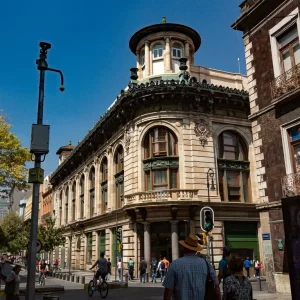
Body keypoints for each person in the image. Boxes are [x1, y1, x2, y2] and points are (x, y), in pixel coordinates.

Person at [163, 234, 221, 300]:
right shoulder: (205, 264)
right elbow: (216, 285)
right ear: (196, 250)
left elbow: (168, 291)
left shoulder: (175, 264)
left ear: (184, 248)